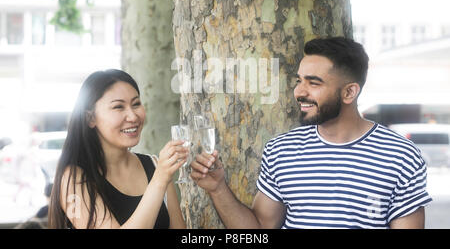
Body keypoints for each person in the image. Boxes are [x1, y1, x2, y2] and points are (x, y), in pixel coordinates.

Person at [191, 37, 432, 229]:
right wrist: (218, 189)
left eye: (313, 83)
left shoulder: (401, 156)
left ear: (349, 93)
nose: (299, 92)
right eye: (299, 81)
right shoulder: (280, 151)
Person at [48, 69, 188, 229]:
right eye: (118, 107)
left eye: (136, 104)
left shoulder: (155, 165)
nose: (133, 116)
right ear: (91, 118)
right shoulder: (73, 179)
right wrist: (159, 180)